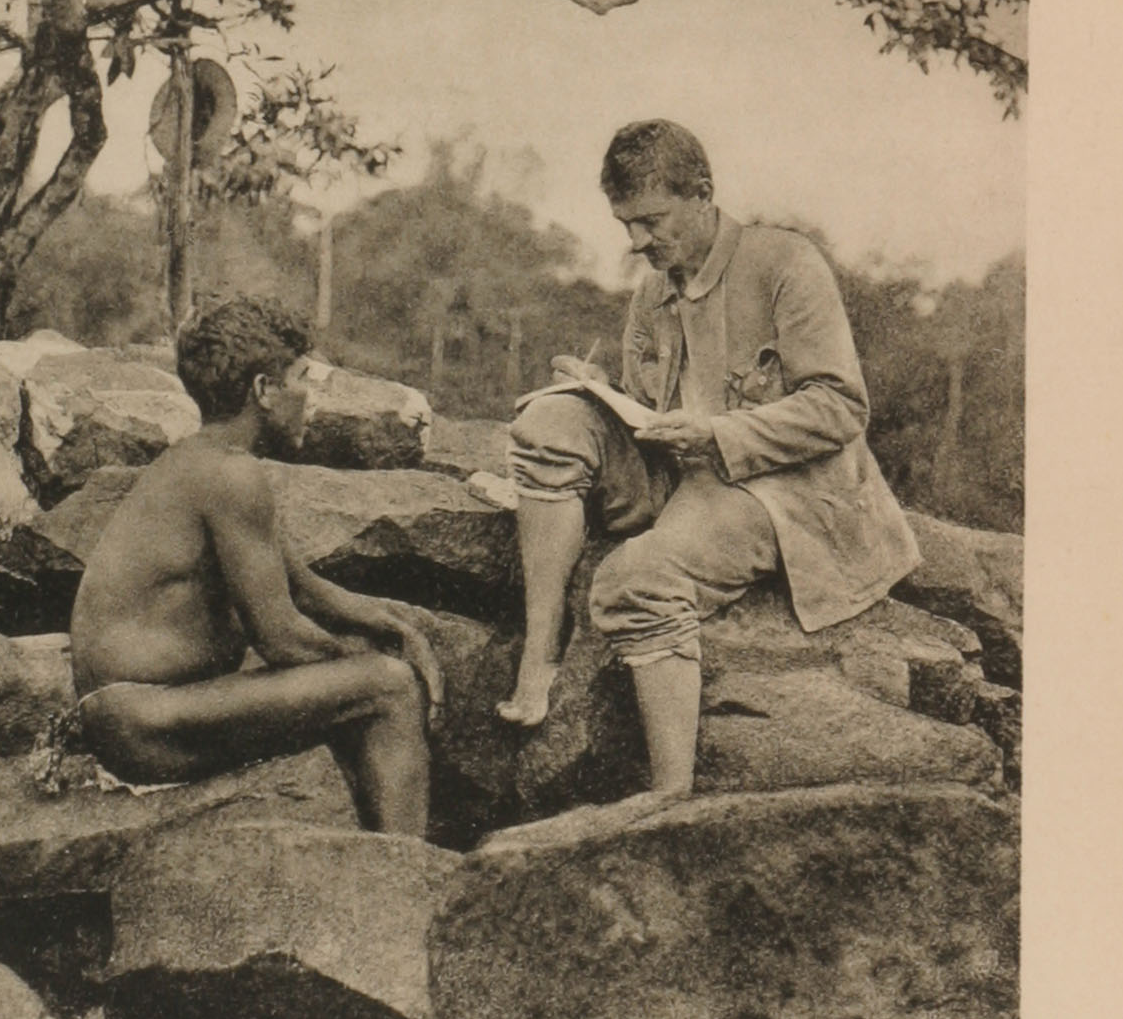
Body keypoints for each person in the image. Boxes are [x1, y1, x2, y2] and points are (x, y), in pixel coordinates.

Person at [498, 120, 919, 814]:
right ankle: (539, 654)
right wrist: (598, 390)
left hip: (781, 488)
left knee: (635, 578)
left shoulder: (785, 262)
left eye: (651, 221)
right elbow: (650, 406)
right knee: (548, 424)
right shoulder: (653, 288)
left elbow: (841, 406)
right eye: (625, 224)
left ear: (702, 194)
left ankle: (670, 793)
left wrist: (720, 433)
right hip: (681, 470)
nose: (637, 242)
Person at [70, 294, 443, 837]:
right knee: (389, 688)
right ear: (264, 390)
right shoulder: (231, 476)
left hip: (136, 715)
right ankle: (405, 871)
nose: (312, 399)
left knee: (369, 672)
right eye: (303, 379)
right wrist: (370, 661)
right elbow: (280, 638)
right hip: (144, 721)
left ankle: (379, 852)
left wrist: (399, 629)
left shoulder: (202, 460)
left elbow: (304, 589)